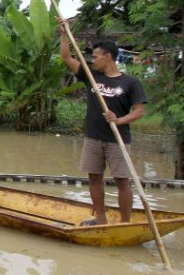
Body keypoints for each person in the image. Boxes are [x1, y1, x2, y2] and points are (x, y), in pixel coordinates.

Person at [59, 20, 147, 225]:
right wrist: (65, 33)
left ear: (108, 57)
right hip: (93, 137)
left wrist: (119, 120)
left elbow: (139, 112)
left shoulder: (130, 82)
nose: (93, 60)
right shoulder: (92, 75)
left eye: (96, 57)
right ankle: (100, 219)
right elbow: (66, 56)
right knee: (94, 179)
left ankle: (125, 222)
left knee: (122, 181)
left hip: (118, 140)